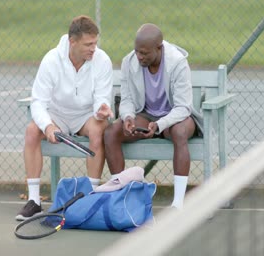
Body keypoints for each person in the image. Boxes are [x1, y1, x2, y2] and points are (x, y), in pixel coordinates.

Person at [16, 15, 114, 221]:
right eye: (88, 44)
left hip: (86, 117)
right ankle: (34, 201)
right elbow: (38, 102)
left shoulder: (102, 60)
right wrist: (48, 126)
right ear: (72, 42)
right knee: (32, 131)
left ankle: (91, 195)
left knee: (99, 129)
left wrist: (101, 109)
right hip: (57, 115)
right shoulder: (51, 60)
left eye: (95, 43)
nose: (93, 48)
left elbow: (101, 98)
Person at [104, 23, 202, 209]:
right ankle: (120, 197)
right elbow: (126, 100)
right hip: (145, 115)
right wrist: (127, 117)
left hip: (174, 117)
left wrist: (160, 124)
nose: (139, 56)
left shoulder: (178, 62)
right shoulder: (129, 61)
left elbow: (183, 107)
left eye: (145, 53)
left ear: (159, 48)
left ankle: (178, 203)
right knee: (111, 132)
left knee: (180, 132)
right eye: (137, 51)